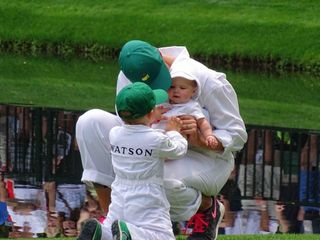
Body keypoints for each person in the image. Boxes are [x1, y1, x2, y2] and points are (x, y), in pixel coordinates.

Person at [76, 40, 247, 240]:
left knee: (159, 180)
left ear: (160, 57)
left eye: (159, 80)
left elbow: (237, 136)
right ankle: (112, 224)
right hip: (153, 146)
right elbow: (128, 125)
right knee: (90, 122)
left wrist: (200, 139)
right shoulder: (129, 74)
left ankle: (208, 209)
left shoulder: (209, 81)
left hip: (204, 156)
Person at [78, 82, 188, 239]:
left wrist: (150, 118)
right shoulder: (156, 139)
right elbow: (178, 150)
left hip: (120, 192)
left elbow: (137, 135)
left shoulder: (115, 134)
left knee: (112, 225)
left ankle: (100, 233)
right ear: (151, 113)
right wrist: (174, 132)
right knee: (161, 234)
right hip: (147, 194)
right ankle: (131, 234)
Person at [153, 74, 217, 149]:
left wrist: (209, 135)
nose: (176, 90)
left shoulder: (191, 106)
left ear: (193, 91)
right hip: (155, 137)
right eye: (172, 87)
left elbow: (202, 122)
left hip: (174, 142)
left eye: (182, 88)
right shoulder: (163, 103)